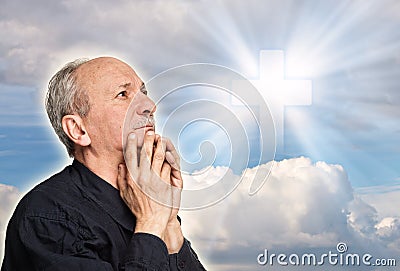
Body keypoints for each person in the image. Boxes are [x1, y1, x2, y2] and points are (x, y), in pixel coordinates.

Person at [1, 57, 206, 270]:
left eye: (143, 93)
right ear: (78, 130)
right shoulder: (47, 218)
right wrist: (152, 224)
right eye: (123, 94)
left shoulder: (148, 206)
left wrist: (170, 224)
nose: (149, 106)